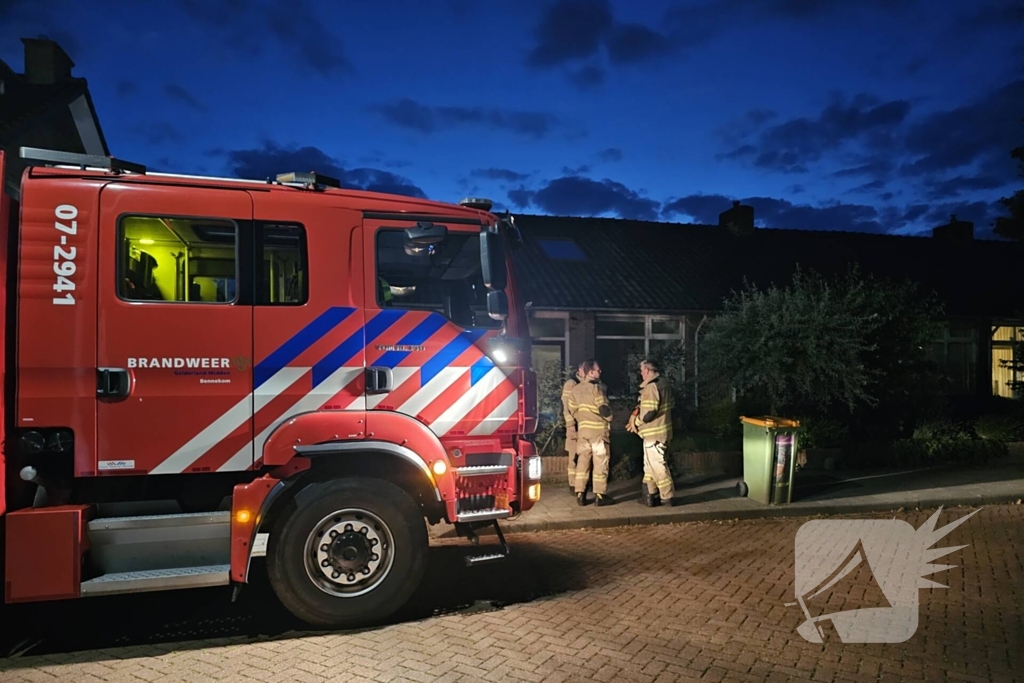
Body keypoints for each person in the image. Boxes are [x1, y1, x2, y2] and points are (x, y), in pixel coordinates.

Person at [627, 358, 676, 506]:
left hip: (653, 434)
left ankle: (667, 496)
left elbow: (649, 412)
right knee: (649, 466)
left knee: (657, 465)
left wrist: (636, 423)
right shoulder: (664, 384)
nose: (641, 373)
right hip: (663, 431)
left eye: (642, 370)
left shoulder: (651, 387)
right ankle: (650, 495)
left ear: (647, 371)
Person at [570, 359, 613, 506]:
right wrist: (610, 418)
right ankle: (600, 495)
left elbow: (572, 410)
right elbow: (603, 409)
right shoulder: (597, 388)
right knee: (600, 463)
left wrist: (582, 419)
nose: (600, 372)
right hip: (598, 432)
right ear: (590, 372)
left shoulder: (575, 390)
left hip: (583, 432)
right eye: (597, 370)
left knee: (583, 463)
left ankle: (580, 494)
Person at [561, 363, 585, 493]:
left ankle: (581, 484)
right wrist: (570, 423)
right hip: (574, 426)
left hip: (584, 425)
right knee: (573, 456)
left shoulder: (587, 384)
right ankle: (572, 483)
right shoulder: (571, 384)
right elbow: (566, 406)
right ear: (579, 370)